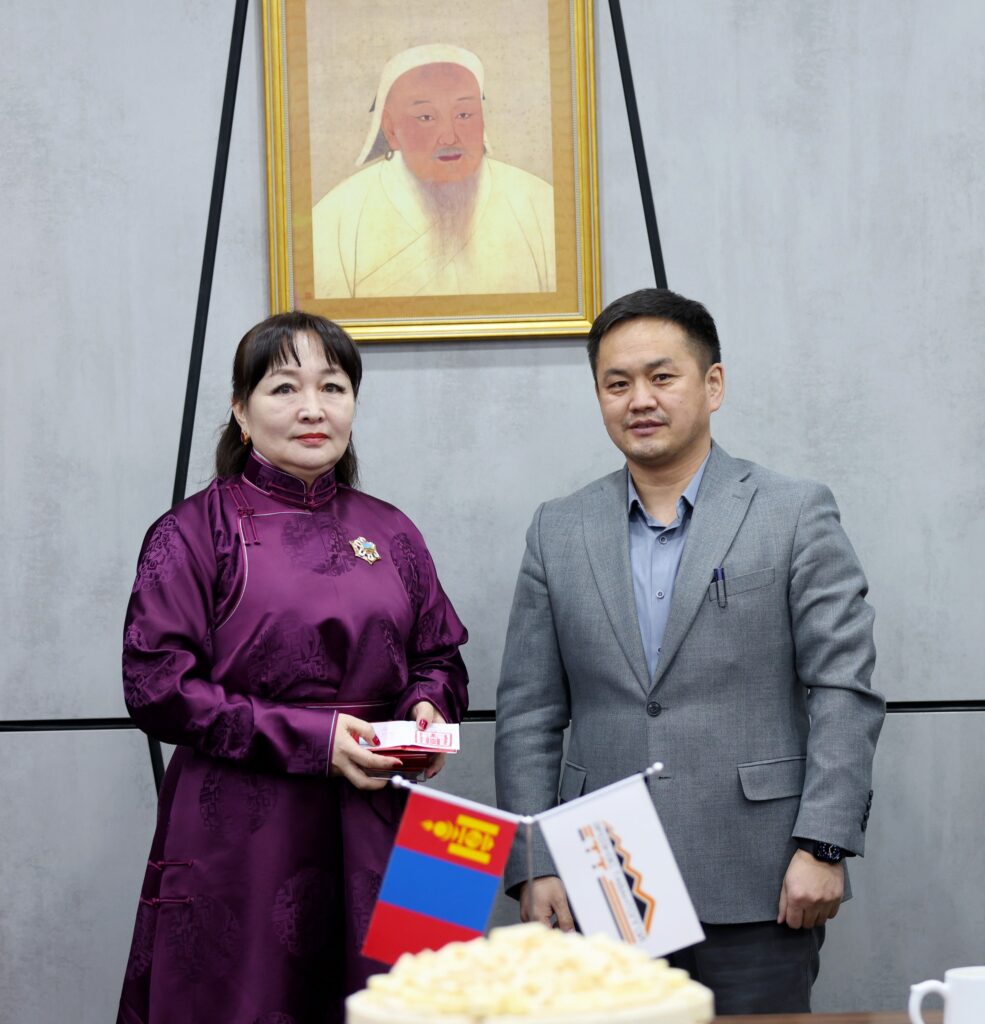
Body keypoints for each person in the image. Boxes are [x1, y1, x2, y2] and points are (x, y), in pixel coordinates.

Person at [494, 288, 884, 1015]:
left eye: (661, 376)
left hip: (761, 875)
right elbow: (528, 712)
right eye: (616, 383)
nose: (639, 399)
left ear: (713, 385)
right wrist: (533, 861)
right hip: (602, 879)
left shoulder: (793, 511)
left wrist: (824, 844)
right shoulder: (558, 529)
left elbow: (843, 689)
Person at [117, 312, 469, 1024]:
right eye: (284, 388)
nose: (313, 408)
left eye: (332, 387)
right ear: (240, 411)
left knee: (407, 1006)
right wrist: (316, 740)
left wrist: (429, 705)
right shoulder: (194, 532)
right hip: (246, 831)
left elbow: (438, 655)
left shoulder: (392, 529)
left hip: (385, 813)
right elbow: (156, 686)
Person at [311, 44, 556, 298]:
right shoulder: (335, 219)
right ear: (390, 129)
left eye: (464, 114)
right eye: (426, 117)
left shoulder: (538, 203)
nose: (449, 137)